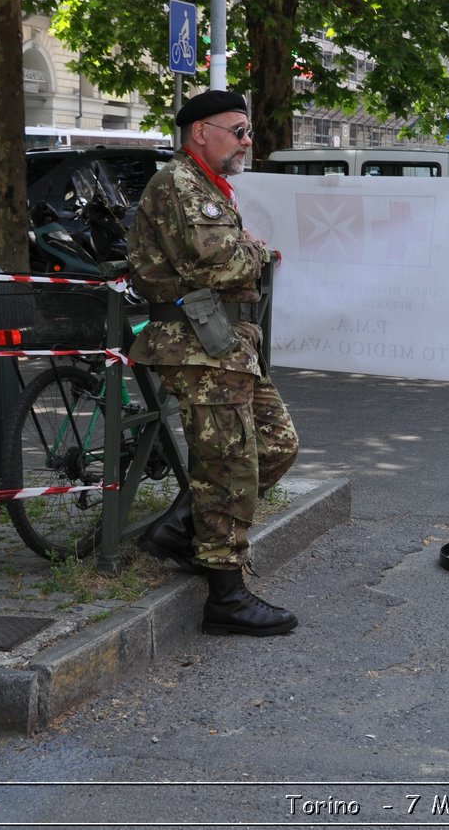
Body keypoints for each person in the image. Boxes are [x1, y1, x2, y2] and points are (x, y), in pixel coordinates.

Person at [126, 90, 302, 638]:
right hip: (193, 342)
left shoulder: (205, 185)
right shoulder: (182, 184)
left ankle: (180, 530)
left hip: (220, 340)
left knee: (275, 446)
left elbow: (221, 260)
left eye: (248, 132)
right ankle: (225, 594)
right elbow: (219, 261)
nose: (247, 143)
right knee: (228, 465)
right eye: (238, 131)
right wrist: (256, 250)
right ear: (200, 132)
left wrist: (245, 248)